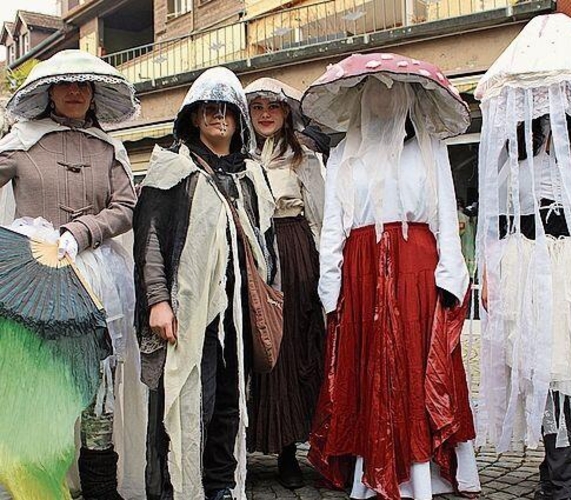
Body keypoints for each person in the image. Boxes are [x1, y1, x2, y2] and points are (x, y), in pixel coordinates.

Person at [303, 53, 480, 500]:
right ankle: (371, 467)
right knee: (370, 367)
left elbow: (443, 215)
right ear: (359, 101)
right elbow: (332, 227)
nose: (383, 102)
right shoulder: (343, 153)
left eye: (392, 92)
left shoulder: (429, 148)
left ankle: (422, 473)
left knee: (416, 364)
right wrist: (332, 288)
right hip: (362, 273)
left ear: (407, 99)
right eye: (372, 94)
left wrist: (450, 277)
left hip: (416, 269)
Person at [475, 13, 571, 500]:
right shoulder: (516, 146)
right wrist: (491, 271)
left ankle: (569, 484)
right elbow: (497, 213)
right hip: (526, 264)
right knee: (543, 371)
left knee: (562, 370)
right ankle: (557, 478)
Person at [0, 49, 144, 500]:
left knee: (99, 375)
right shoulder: (21, 141)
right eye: (66, 85)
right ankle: (39, 481)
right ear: (48, 93)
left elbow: (126, 206)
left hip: (97, 276)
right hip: (33, 280)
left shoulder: (109, 148)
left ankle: (101, 484)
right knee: (41, 376)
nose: (76, 92)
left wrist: (82, 232)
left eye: (84, 85)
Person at [134, 66, 277, 500]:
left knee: (230, 403)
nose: (219, 117)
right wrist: (158, 301)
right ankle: (180, 489)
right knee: (187, 401)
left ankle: (218, 486)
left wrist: (268, 297)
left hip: (236, 311)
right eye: (209, 110)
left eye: (227, 111)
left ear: (238, 120)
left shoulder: (251, 176)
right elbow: (150, 242)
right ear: (194, 118)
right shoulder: (169, 170)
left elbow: (266, 242)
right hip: (187, 312)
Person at [244, 77, 325, 488]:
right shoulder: (237, 155)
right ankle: (244, 444)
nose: (265, 113)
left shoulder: (303, 156)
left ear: (286, 111)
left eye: (272, 106)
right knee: (254, 345)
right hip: (249, 251)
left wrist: (323, 269)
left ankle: (290, 452)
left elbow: (319, 214)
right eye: (257, 106)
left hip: (293, 247)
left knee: (291, 345)